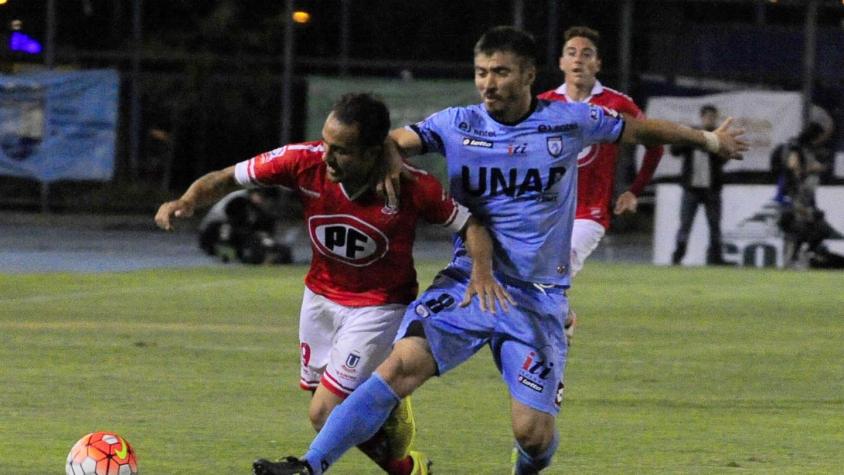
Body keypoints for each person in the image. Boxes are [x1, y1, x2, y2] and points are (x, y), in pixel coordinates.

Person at [253, 27, 746, 475]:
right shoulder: (456, 123)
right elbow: (399, 140)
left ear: (530, 74)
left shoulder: (568, 121)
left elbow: (639, 129)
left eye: (501, 72)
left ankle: (526, 464)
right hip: (467, 282)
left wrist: (707, 139)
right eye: (481, 72)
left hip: (537, 295)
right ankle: (310, 466)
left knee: (532, 434)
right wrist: (387, 154)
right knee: (398, 367)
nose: (488, 83)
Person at [156, 93, 508, 475]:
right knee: (326, 401)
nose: (327, 156)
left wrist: (482, 273)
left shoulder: (412, 186)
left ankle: (339, 452)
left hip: (379, 306)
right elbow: (228, 178)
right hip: (319, 298)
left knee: (322, 412)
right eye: (325, 143)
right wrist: (188, 200)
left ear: (375, 151)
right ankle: (405, 458)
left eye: (341, 150)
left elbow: (471, 224)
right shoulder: (303, 161)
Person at [538, 25, 664, 342]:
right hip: (546, 214)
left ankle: (549, 342)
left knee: (558, 265)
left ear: (598, 64)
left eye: (587, 54)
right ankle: (563, 317)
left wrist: (634, 190)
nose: (578, 59)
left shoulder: (617, 103)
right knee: (533, 277)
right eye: (572, 53)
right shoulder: (542, 103)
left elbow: (655, 144)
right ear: (561, 63)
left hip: (589, 213)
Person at [772, 121, 844, 268]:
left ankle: (801, 256)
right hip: (794, 198)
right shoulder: (796, 146)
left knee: (817, 227)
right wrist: (811, 168)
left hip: (803, 199)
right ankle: (792, 259)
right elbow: (793, 165)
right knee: (799, 228)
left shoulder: (803, 147)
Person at [669, 104, 731, 266]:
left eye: (713, 117)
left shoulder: (720, 136)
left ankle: (715, 258)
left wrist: (712, 145)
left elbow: (725, 158)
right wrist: (690, 139)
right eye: (708, 117)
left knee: (714, 226)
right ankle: (678, 257)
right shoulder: (693, 134)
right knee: (685, 225)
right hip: (691, 189)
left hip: (712, 189)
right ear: (702, 117)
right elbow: (674, 151)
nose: (710, 120)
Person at [197, 188, 292, 265]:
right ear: (256, 193)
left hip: (224, 231)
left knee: (257, 238)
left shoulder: (250, 203)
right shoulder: (239, 199)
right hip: (211, 233)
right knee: (240, 235)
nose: (265, 203)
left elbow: (262, 225)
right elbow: (236, 223)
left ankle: (250, 254)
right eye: (263, 198)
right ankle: (228, 253)